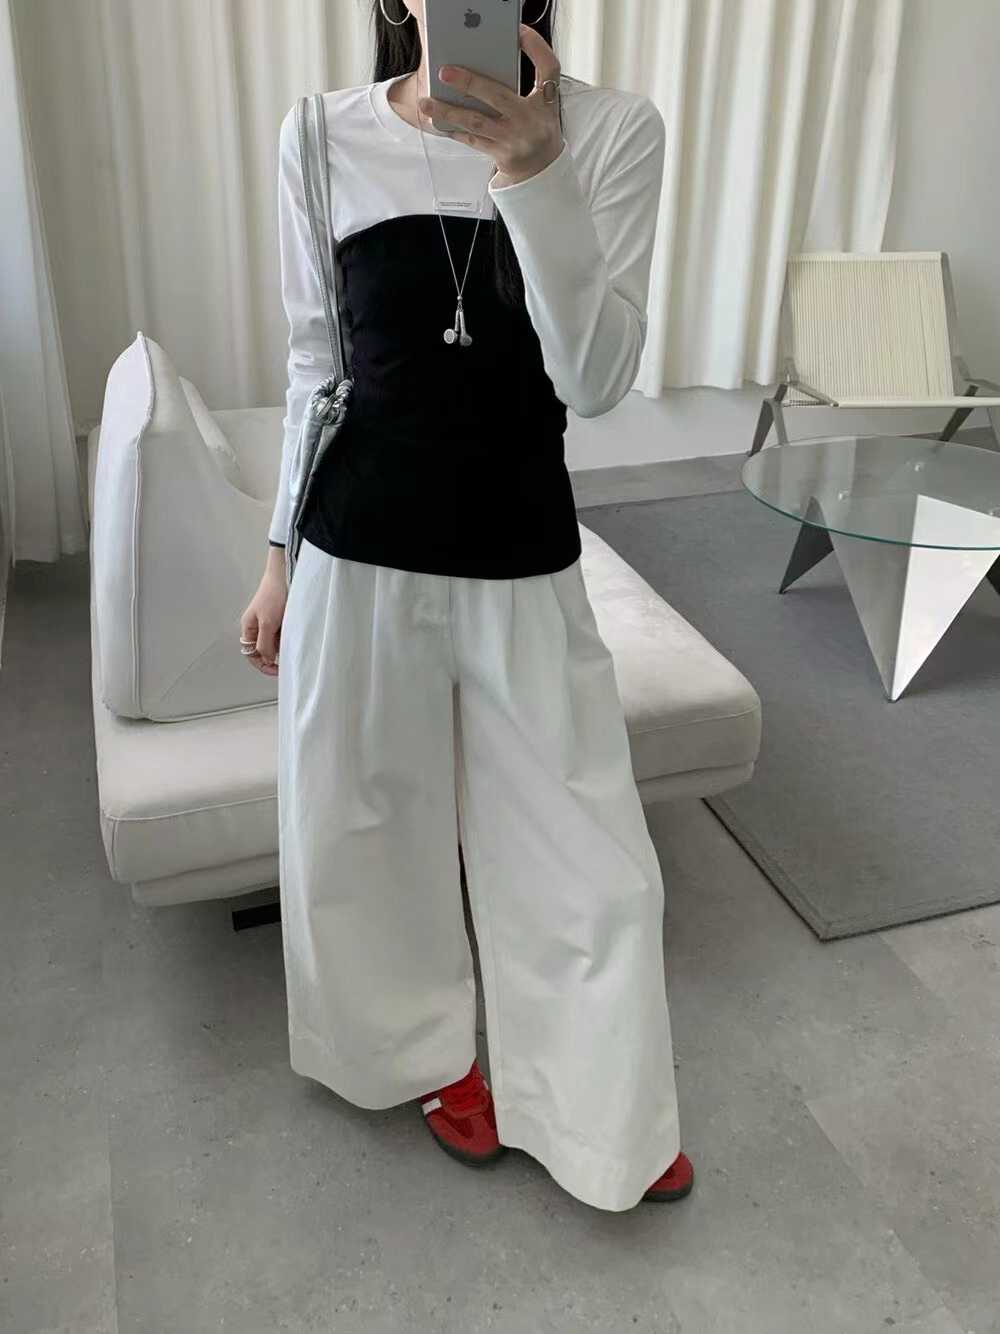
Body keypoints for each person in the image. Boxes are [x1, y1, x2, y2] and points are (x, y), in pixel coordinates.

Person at [239, 0, 693, 1212]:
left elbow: (593, 379)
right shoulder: (318, 134)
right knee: (362, 829)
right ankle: (418, 1054)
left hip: (520, 543)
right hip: (356, 546)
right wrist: (279, 555)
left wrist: (535, 171)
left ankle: (601, 1106)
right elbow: (314, 367)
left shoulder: (614, 131)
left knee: (588, 853)